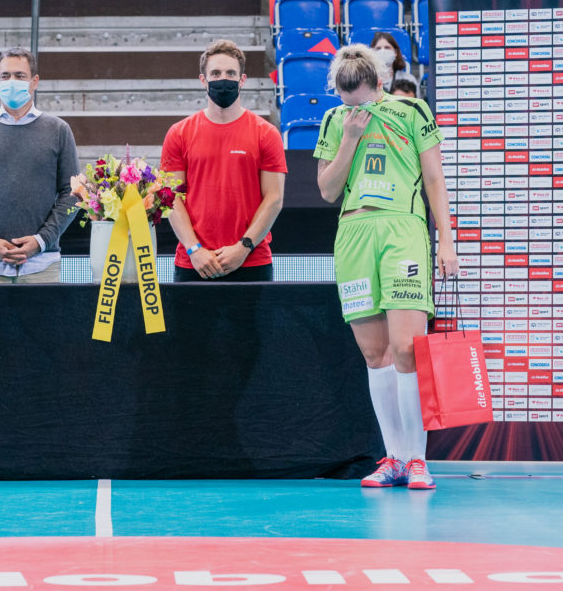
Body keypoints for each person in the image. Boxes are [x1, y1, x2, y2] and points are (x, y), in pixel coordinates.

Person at [314, 45, 458, 490]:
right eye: (347, 103)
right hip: (355, 236)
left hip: (403, 233)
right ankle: (393, 457)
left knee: (406, 349)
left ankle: (418, 459)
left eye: (362, 101)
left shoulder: (412, 111)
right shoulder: (335, 121)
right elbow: (327, 190)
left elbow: (434, 178)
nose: (355, 110)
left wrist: (446, 240)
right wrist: (352, 137)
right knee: (374, 355)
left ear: (379, 84)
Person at [0, 46, 80, 283]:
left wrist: (40, 241)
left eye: (20, 76)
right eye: (6, 76)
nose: (12, 81)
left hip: (41, 266)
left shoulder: (59, 130)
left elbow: (72, 195)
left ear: (35, 81)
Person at [162, 39, 288, 282]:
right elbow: (171, 198)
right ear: (203, 80)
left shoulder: (266, 133)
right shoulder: (179, 133)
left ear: (242, 80)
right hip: (194, 264)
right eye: (216, 73)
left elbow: (274, 198)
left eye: (231, 73)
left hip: (252, 261)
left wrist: (244, 247)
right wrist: (194, 249)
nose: (224, 79)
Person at [370, 31, 416, 95]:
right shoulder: (367, 81)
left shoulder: (408, 79)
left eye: (387, 47)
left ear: (395, 52)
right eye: (378, 48)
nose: (383, 51)